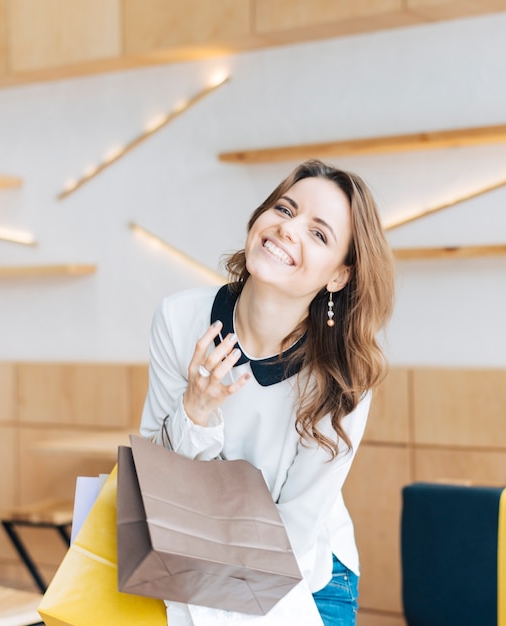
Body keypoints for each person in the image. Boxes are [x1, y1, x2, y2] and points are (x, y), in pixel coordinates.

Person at [140, 159, 395, 625]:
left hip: (302, 581)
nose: (287, 229)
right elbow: (153, 480)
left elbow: (296, 532)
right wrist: (195, 412)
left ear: (339, 276)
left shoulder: (343, 376)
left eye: (319, 234)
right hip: (185, 560)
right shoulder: (179, 321)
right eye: (284, 208)